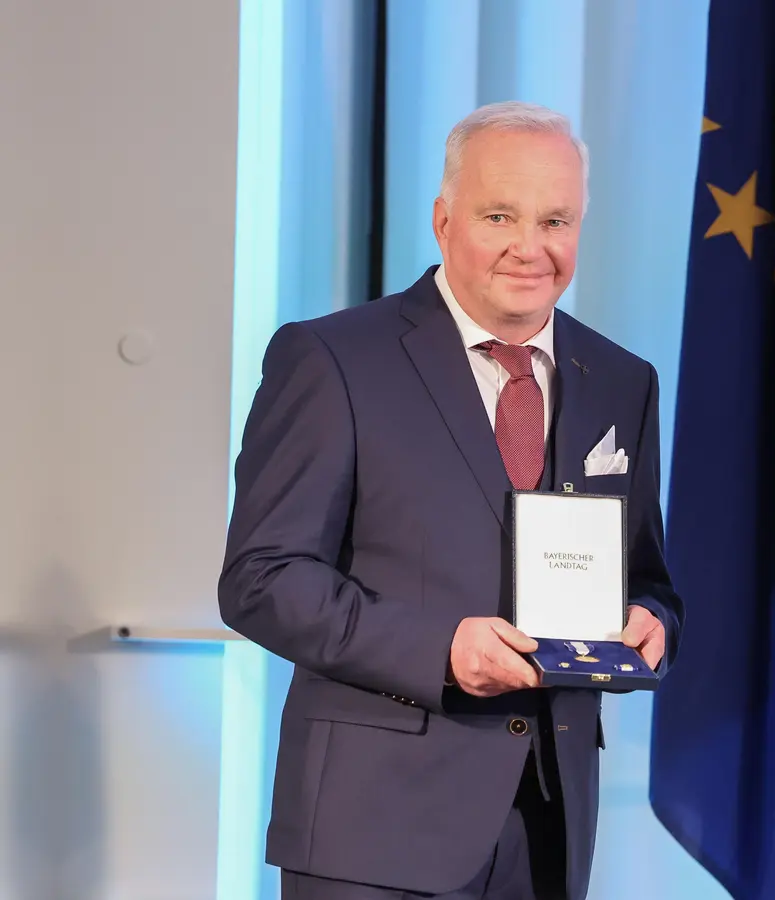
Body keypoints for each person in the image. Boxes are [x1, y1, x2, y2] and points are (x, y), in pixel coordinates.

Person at [219, 101, 683, 900]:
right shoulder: (332, 358)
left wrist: (653, 623)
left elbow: (645, 575)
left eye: (556, 219)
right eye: (499, 214)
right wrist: (440, 649)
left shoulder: (620, 380)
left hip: (547, 830)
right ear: (442, 219)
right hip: (373, 832)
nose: (529, 247)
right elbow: (261, 577)